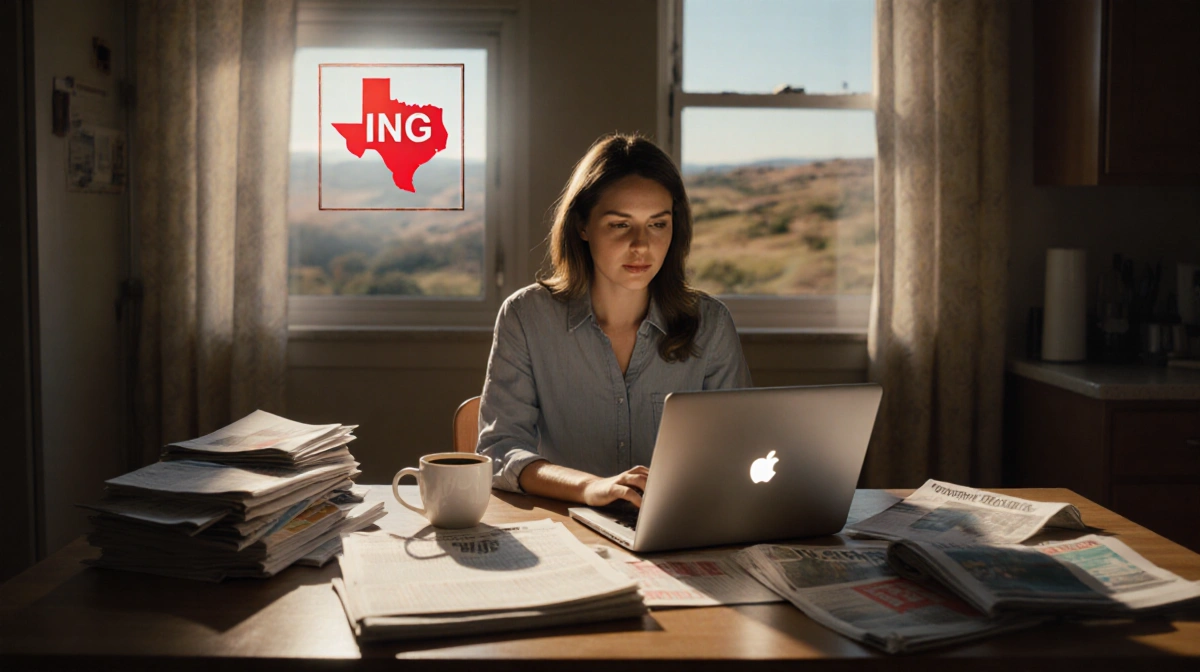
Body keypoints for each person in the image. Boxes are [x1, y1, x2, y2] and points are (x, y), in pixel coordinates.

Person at [477, 132, 752, 508]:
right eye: (620, 224)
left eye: (658, 224)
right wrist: (591, 488)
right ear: (583, 226)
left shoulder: (711, 323)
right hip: (566, 531)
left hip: (677, 535)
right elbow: (500, 451)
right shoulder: (525, 317)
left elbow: (737, 451)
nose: (641, 245)